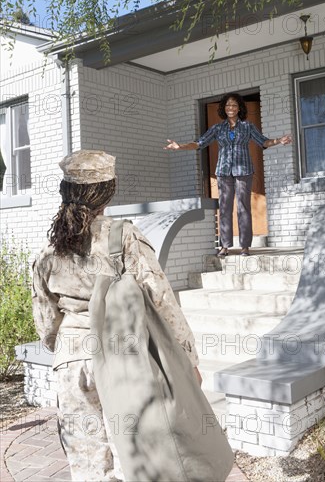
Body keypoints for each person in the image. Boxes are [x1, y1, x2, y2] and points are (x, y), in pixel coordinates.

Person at [32, 150, 201, 482]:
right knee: (135, 459)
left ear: (67, 191)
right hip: (123, 359)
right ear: (108, 191)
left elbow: (46, 324)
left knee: (87, 461)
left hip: (71, 363)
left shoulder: (48, 252)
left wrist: (67, 346)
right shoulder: (124, 236)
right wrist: (188, 358)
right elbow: (162, 300)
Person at [165, 93, 292, 256]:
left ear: (239, 108)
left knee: (243, 208)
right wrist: (180, 146)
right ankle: (225, 246)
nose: (230, 108)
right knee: (224, 208)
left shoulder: (248, 126)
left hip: (243, 171)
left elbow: (263, 142)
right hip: (224, 172)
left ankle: (245, 246)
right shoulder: (218, 128)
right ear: (223, 109)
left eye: (233, 105)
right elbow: (199, 143)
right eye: (227, 105)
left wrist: (279, 140)